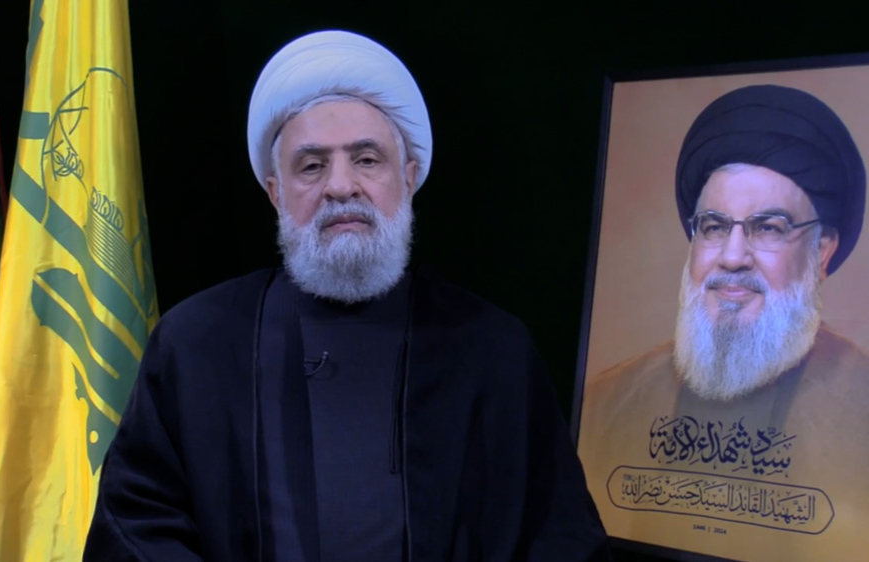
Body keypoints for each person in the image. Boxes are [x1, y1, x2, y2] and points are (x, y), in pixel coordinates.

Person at [84, 29, 610, 561]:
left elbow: (560, 537)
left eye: (366, 159)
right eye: (311, 166)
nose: (340, 186)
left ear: (408, 179)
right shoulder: (196, 343)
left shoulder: (490, 348)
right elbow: (136, 528)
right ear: (276, 192)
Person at [577, 84, 869, 561]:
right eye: (714, 227)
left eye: (769, 227)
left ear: (822, 250)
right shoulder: (609, 401)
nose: (732, 257)